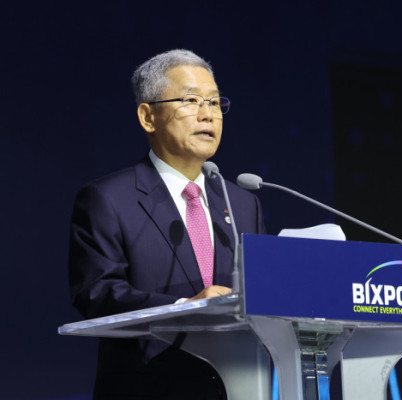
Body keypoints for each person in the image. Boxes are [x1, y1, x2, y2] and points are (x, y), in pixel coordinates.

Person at [68, 49, 266, 399]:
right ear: (148, 117)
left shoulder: (242, 204)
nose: (208, 114)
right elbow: (97, 293)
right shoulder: (107, 199)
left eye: (215, 102)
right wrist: (185, 308)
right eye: (191, 100)